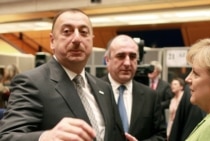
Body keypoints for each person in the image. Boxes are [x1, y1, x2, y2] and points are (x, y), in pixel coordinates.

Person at [0, 8, 125, 141]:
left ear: (91, 40)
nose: (77, 39)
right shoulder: (31, 83)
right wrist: (46, 137)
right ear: (52, 41)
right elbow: (7, 137)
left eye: (83, 32)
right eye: (67, 32)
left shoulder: (103, 87)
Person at [102, 34, 166, 141]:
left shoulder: (151, 96)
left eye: (132, 57)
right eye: (121, 56)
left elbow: (161, 136)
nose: (127, 63)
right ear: (107, 60)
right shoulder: (92, 91)